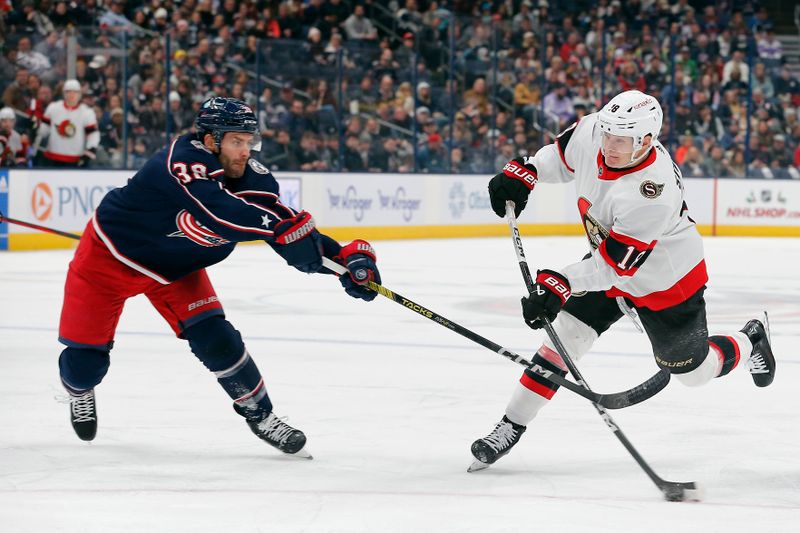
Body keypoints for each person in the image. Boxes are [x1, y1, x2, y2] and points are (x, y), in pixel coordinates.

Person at [57, 97, 381, 459]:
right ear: (211, 140)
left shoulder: (254, 177)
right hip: (108, 261)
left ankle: (261, 415)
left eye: (249, 142)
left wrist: (343, 261)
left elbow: (288, 231)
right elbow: (219, 214)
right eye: (235, 142)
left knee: (218, 340)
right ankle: (78, 391)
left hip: (177, 269)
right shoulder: (182, 161)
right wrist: (279, 230)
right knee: (85, 366)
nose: (245, 152)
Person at [470, 90, 776, 469]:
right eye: (607, 135)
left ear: (646, 141)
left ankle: (750, 340)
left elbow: (615, 269)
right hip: (609, 258)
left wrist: (559, 281)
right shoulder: (594, 131)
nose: (609, 145)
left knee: (694, 374)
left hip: (665, 280)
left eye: (620, 141)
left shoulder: (652, 191)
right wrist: (529, 171)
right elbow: (561, 157)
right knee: (561, 339)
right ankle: (510, 425)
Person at [35, 79, 99, 167]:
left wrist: (90, 152)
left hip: (75, 160)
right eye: (68, 92)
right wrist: (35, 126)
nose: (71, 95)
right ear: (64, 93)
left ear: (80, 94)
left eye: (75, 92)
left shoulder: (87, 112)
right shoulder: (53, 108)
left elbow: (93, 135)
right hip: (52, 158)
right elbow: (44, 130)